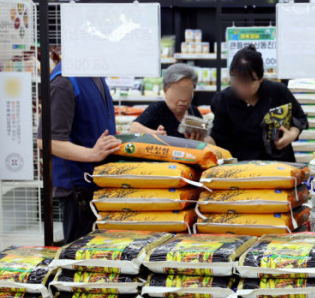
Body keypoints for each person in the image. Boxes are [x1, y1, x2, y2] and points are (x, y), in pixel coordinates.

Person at [37, 61, 120, 244]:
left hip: (99, 182)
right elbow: (47, 140)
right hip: (78, 188)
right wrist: (92, 154)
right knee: (79, 252)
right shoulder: (64, 82)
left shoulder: (94, 74)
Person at [206, 45, 308, 162]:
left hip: (278, 164)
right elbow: (218, 138)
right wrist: (200, 140)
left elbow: (300, 118)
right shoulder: (224, 99)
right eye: (236, 81)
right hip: (239, 166)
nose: (241, 88)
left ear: (260, 78)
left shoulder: (277, 92)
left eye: (247, 82)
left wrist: (290, 136)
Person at [130, 64, 203, 140]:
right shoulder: (158, 108)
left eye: (188, 92)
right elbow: (133, 128)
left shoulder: (193, 111)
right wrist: (155, 134)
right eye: (178, 92)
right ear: (165, 90)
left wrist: (201, 139)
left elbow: (207, 137)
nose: (183, 98)